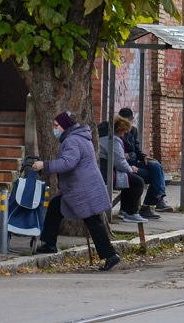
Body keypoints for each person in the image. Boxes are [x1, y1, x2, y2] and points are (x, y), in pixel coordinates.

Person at [31, 112, 121, 271]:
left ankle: (110, 255)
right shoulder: (79, 137)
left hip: (82, 190)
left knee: (93, 222)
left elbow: (68, 163)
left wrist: (45, 165)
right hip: (81, 188)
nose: (55, 129)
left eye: (56, 125)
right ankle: (49, 243)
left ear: (65, 125)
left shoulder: (72, 140)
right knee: (55, 208)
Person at [117, 107, 173, 215]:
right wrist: (129, 156)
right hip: (124, 167)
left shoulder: (133, 130)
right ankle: (147, 206)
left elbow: (136, 149)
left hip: (134, 163)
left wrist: (143, 156)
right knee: (154, 176)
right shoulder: (115, 132)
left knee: (156, 166)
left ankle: (159, 199)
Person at [98, 115, 147, 223]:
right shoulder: (113, 140)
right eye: (124, 132)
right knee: (138, 182)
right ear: (119, 130)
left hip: (103, 169)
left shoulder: (102, 135)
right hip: (106, 172)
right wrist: (130, 168)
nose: (124, 134)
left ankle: (124, 211)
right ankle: (131, 212)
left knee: (129, 180)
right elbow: (119, 161)